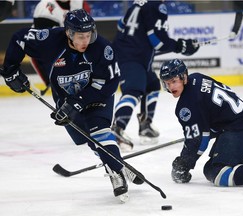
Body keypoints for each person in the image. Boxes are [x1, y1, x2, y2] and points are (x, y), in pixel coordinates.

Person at [0, 9, 144, 202]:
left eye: (88, 35)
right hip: (65, 99)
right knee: (88, 137)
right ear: (68, 33)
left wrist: (79, 102)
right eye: (80, 36)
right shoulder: (49, 40)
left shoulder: (101, 47)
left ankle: (116, 170)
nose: (86, 40)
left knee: (98, 130)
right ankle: (114, 163)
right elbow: (20, 39)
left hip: (97, 96)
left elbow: (110, 82)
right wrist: (10, 69)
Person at [159, 58, 243, 188]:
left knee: (217, 173)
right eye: (167, 83)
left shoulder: (186, 105)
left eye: (174, 81)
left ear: (184, 77)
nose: (171, 87)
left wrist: (183, 164)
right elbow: (213, 114)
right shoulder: (197, 78)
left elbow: (199, 141)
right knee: (209, 168)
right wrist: (202, 132)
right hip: (241, 123)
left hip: (242, 128)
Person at [112, 0, 200, 151]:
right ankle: (117, 129)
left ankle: (145, 125)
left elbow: (121, 25)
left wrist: (139, 41)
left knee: (152, 84)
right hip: (131, 58)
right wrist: (182, 46)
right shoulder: (156, 6)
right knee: (134, 89)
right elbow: (158, 42)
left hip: (130, 54)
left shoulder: (137, 3)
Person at [31, 0, 91, 94]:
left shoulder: (80, 3)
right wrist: (49, 79)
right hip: (55, 56)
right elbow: (42, 45)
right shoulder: (44, 8)